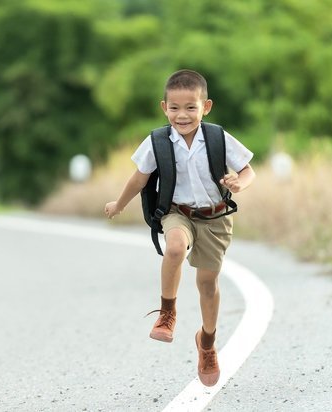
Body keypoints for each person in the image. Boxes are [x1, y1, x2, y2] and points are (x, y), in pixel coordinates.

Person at [104, 69, 255, 387]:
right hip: (177, 213)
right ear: (164, 107)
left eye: (190, 107)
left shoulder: (217, 138)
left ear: (206, 106)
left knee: (207, 285)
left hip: (214, 218)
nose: (182, 115)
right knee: (173, 247)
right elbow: (139, 178)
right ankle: (167, 313)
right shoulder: (157, 142)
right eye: (174, 108)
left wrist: (238, 183)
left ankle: (207, 342)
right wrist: (119, 204)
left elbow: (247, 170)